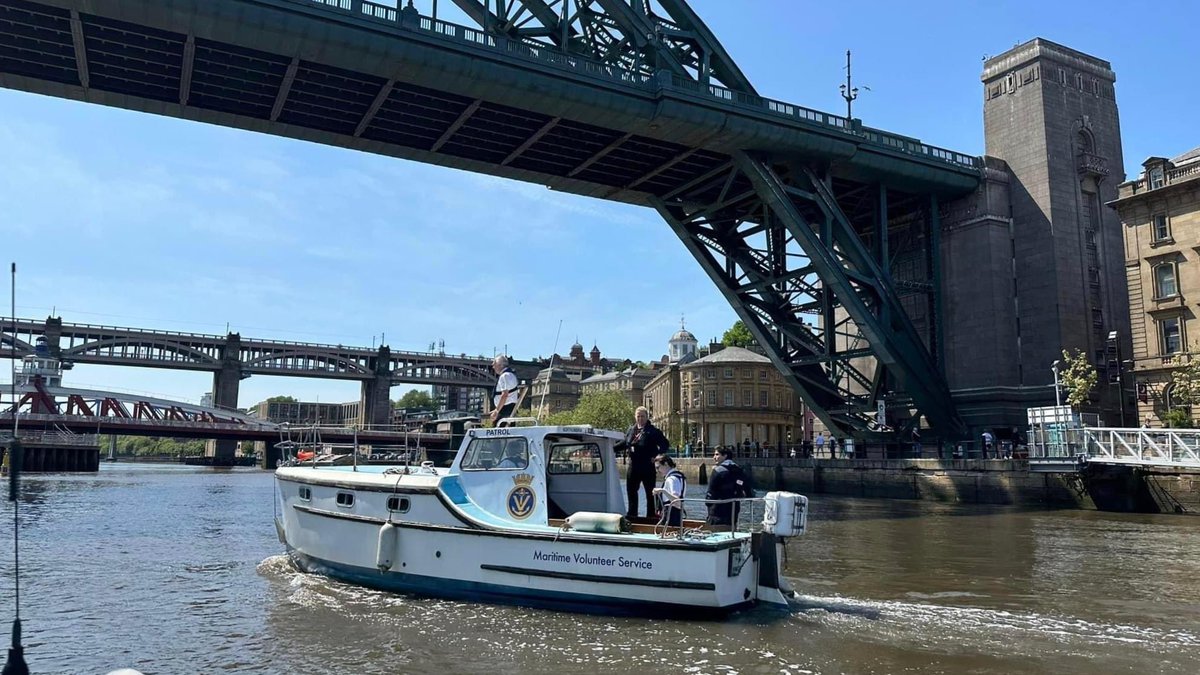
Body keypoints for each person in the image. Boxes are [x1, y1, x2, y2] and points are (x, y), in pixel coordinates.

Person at [614, 406, 669, 519]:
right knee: (631, 491)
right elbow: (625, 443)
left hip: (647, 465)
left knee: (650, 492)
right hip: (633, 465)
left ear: (646, 417)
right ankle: (632, 514)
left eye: (642, 416)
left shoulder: (653, 431)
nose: (640, 419)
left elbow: (665, 444)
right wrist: (611, 448)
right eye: (638, 416)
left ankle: (651, 516)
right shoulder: (631, 430)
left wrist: (657, 456)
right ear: (635, 417)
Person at [705, 447, 752, 528]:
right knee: (731, 529)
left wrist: (708, 503)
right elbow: (747, 489)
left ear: (725, 456)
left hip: (717, 510)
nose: (714, 457)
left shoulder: (717, 471)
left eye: (717, 454)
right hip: (733, 510)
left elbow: (711, 491)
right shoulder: (739, 470)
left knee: (716, 532)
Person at [652, 454, 686, 527]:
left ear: (666, 464)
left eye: (658, 468)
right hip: (675, 515)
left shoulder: (672, 479)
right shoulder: (678, 476)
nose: (657, 471)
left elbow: (676, 501)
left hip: (671, 517)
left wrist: (662, 491)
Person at [489, 355, 519, 424]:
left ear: (500, 365)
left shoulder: (505, 376)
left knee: (500, 432)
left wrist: (497, 411)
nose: (493, 366)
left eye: (494, 364)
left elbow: (505, 395)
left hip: (505, 410)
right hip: (506, 408)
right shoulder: (510, 375)